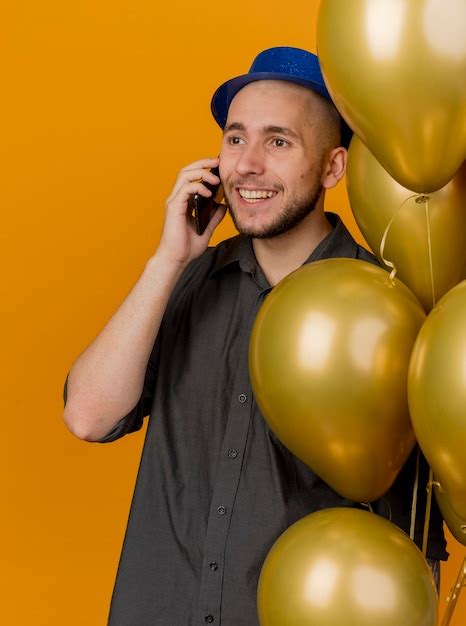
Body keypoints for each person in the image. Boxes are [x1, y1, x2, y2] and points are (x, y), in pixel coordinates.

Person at [63, 47, 446, 626]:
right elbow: (87, 417)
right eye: (236, 139)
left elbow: (416, 547)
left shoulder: (390, 311)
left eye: (279, 142)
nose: (247, 165)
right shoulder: (187, 281)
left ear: (333, 168)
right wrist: (168, 260)